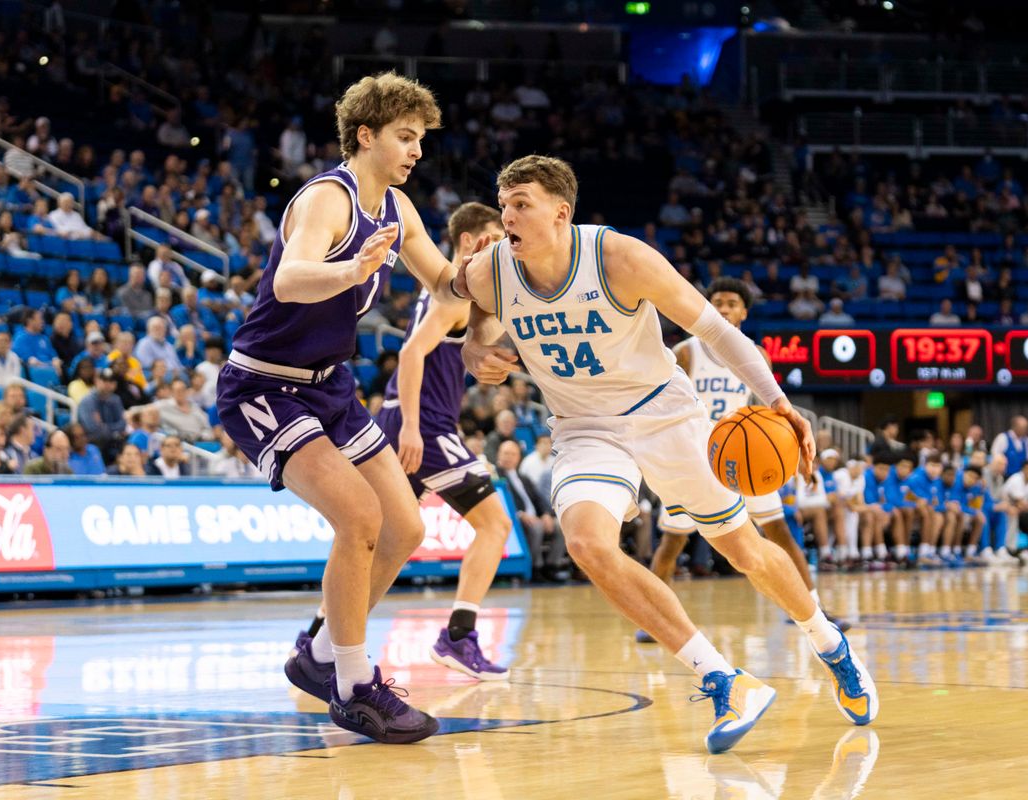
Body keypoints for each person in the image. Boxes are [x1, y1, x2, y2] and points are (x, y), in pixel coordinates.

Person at [459, 154, 877, 752]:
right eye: (503, 205)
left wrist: (780, 402)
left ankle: (828, 642)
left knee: (747, 554)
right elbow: (467, 305)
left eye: (521, 204)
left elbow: (719, 333)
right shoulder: (491, 270)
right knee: (586, 544)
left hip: (664, 415)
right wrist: (476, 345)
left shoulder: (620, 259)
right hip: (584, 427)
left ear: (561, 213)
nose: (508, 216)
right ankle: (722, 677)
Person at [220, 73, 472, 744]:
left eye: (421, 138)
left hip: (328, 387)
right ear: (366, 135)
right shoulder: (328, 200)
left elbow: (446, 283)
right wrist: (351, 271)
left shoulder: (398, 207)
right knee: (358, 517)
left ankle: (322, 654)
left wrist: (510, 275)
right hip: (265, 386)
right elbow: (289, 278)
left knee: (404, 528)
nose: (417, 150)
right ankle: (355, 689)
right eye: (405, 136)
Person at [642, 278, 848, 641]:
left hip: (745, 458)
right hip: (697, 456)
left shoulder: (756, 353)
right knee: (673, 541)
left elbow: (770, 409)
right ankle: (655, 620)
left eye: (731, 303)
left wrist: (793, 454)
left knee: (780, 533)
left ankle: (814, 607)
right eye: (717, 301)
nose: (723, 308)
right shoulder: (688, 351)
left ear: (744, 312)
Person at [370, 201, 514, 678]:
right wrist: (412, 426)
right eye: (496, 238)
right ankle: (458, 635)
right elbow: (409, 356)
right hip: (425, 427)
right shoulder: (455, 292)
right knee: (495, 525)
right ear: (472, 242)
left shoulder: (451, 290)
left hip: (408, 421)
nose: (504, 248)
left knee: (382, 541)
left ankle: (319, 635)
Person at [496, 438, 566, 581]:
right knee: (536, 526)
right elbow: (500, 501)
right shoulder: (495, 476)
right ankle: (535, 567)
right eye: (506, 453)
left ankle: (552, 565)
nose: (509, 457)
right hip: (516, 519)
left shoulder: (523, 478)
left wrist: (546, 514)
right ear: (499, 455)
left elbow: (538, 499)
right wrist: (520, 514)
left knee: (561, 525)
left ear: (518, 457)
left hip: (535, 516)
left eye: (513, 454)